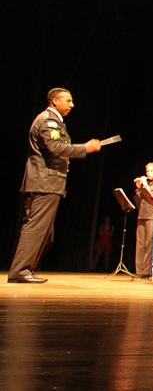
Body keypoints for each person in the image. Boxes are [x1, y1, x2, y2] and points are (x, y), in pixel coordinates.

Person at [8, 88, 100, 283]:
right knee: (36, 229)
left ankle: (26, 269)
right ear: (55, 101)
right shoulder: (49, 120)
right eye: (68, 100)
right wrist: (86, 148)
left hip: (49, 182)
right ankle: (20, 271)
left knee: (46, 234)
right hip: (44, 182)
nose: (72, 105)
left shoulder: (55, 121)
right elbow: (56, 148)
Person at [134, 162, 153, 278]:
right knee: (140, 243)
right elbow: (140, 200)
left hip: (152, 215)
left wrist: (145, 185)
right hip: (142, 214)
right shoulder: (148, 184)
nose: (148, 173)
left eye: (151, 171)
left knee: (149, 243)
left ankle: (146, 271)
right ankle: (139, 270)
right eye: (147, 171)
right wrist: (139, 188)